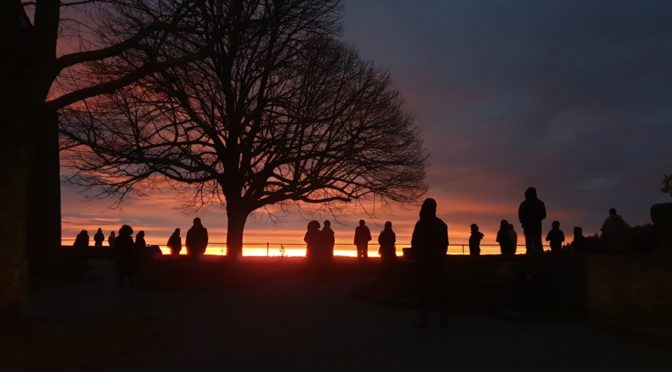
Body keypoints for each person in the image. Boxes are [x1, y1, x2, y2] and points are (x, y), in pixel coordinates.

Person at [411, 198, 449, 328]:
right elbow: (445, 245)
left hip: (424, 263)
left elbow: (414, 243)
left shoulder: (420, 224)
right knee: (440, 293)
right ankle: (443, 319)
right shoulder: (442, 225)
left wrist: (416, 258)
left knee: (424, 293)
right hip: (438, 263)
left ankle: (424, 319)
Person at [518, 187, 547, 255]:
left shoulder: (524, 204)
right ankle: (537, 253)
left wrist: (524, 221)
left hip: (530, 226)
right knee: (535, 241)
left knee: (531, 241)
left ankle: (533, 253)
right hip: (535, 226)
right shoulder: (540, 203)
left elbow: (520, 215)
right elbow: (544, 215)